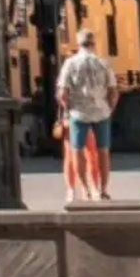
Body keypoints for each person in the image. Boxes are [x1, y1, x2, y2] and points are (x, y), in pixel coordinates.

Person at [55, 29, 119, 201]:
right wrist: (109, 109)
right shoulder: (103, 63)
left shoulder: (70, 63)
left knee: (77, 151)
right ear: (93, 43)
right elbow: (113, 91)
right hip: (101, 112)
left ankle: (85, 188)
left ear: (78, 44)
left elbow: (62, 93)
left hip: (79, 113)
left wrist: (68, 108)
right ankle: (103, 189)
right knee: (103, 151)